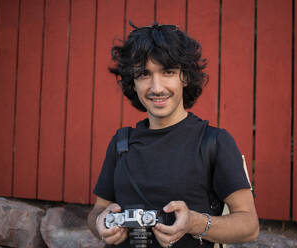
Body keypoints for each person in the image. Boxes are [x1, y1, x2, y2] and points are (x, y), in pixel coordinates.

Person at [88, 22, 259, 248]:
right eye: (144, 74)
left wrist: (194, 223)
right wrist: (100, 222)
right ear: (134, 82)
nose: (156, 88)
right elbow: (97, 211)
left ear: (185, 77)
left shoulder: (213, 142)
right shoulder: (122, 143)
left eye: (168, 72)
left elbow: (249, 226)